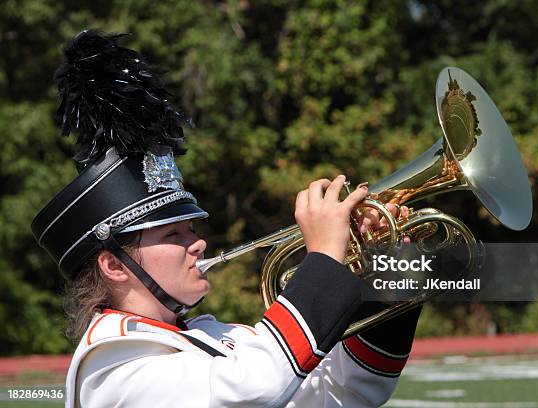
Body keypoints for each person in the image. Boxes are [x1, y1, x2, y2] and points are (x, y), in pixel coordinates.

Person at [31, 30, 421, 408]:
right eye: (173, 234)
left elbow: (343, 395)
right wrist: (322, 260)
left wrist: (384, 283)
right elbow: (256, 389)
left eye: (191, 229)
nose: (197, 243)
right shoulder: (113, 368)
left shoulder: (213, 335)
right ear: (114, 265)